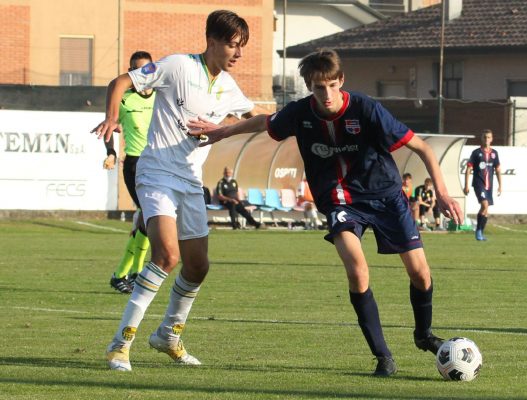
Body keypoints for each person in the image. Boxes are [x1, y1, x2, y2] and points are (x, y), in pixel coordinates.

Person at [188, 48, 463, 377]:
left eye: (332, 85)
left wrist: (443, 194)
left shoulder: (366, 109)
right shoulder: (300, 113)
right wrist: (222, 131)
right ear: (309, 86)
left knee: (420, 273)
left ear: (341, 81)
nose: (327, 94)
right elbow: (265, 122)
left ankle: (423, 334)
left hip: (386, 195)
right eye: (319, 87)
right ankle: (383, 357)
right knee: (357, 270)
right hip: (339, 199)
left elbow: (421, 146)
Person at [91, 10, 264, 372]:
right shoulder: (178, 66)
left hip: (189, 180)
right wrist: (112, 117)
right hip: (155, 173)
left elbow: (257, 117)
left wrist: (299, 120)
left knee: (198, 266)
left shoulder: (229, 86)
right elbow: (120, 82)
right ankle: (120, 343)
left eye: (241, 47)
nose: (238, 54)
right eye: (233, 45)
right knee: (167, 256)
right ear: (212, 41)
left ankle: (168, 334)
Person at [103, 51, 155, 294]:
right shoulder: (125, 99)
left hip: (158, 163)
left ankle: (125, 274)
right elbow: (110, 127)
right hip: (134, 164)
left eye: (144, 69)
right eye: (135, 70)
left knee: (148, 219)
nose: (140, 75)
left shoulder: (162, 98)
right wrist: (111, 152)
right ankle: (131, 273)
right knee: (147, 215)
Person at [463, 129, 502, 241]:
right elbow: (469, 169)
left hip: (489, 186)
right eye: (485, 137)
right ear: (482, 138)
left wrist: (500, 185)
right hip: (478, 183)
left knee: (486, 210)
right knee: (484, 205)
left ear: (492, 139)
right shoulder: (476, 153)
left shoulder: (494, 153)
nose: (486, 139)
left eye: (488, 137)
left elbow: (498, 170)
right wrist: (466, 185)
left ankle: (481, 232)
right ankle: (478, 232)